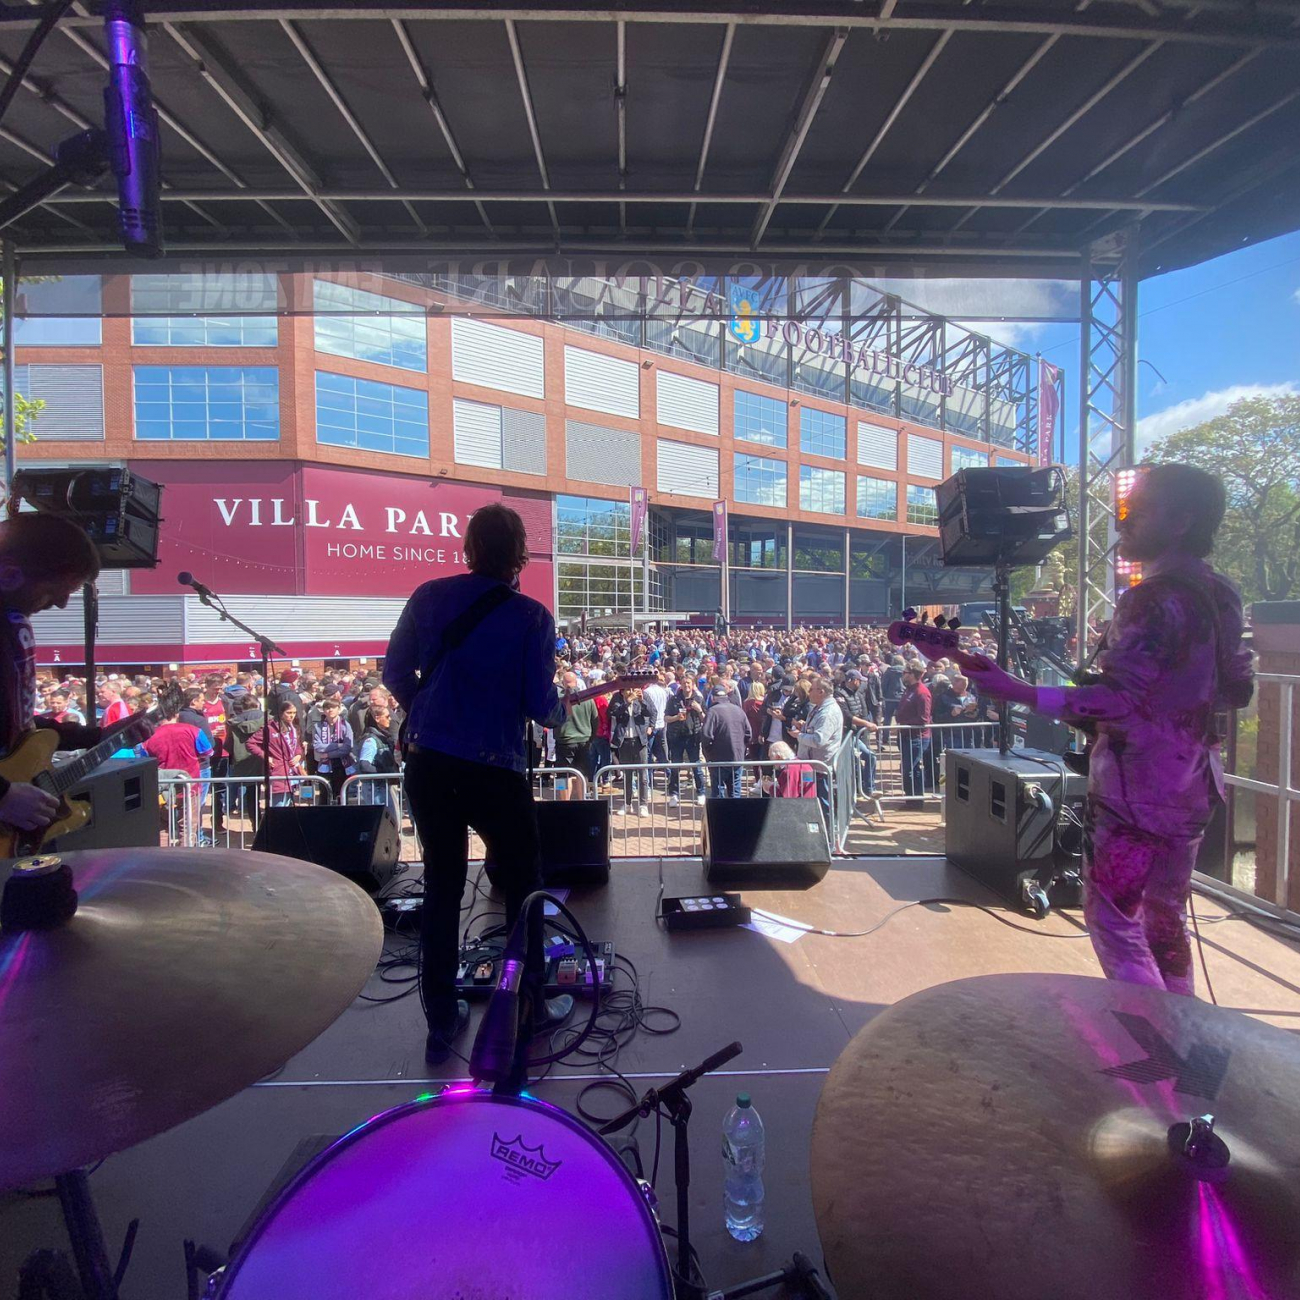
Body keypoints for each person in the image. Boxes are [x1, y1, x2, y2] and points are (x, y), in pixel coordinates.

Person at [964, 463, 1252, 998]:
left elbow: (1114, 703)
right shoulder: (1224, 593)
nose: (1123, 521)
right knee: (1165, 917)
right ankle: (1183, 1033)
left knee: (1114, 919)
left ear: (1183, 519)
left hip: (1135, 788)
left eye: (1137, 511)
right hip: (1195, 783)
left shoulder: (1148, 598)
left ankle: (1149, 1038)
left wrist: (1019, 691)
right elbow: (1239, 689)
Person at [383, 503, 573, 1066]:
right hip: (495, 769)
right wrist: (558, 713)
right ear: (519, 554)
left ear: (468, 547)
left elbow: (395, 672)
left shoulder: (427, 596)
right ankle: (527, 1004)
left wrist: (429, 716)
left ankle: (441, 1022)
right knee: (522, 885)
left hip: (430, 764)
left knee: (442, 885)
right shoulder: (533, 618)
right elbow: (542, 707)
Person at [0, 515, 118, 839]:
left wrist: (97, 737)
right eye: (55, 592)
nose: (63, 604)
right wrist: (4, 796)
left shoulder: (13, 621)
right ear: (9, 574)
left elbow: (19, 726)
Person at [140, 700, 213, 845]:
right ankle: (186, 860)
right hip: (190, 785)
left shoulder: (148, 738)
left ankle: (163, 860)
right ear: (176, 714)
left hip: (163, 788)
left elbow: (144, 761)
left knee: (162, 827)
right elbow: (208, 752)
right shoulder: (193, 730)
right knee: (188, 828)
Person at [796, 675, 843, 830]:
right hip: (810, 766)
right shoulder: (818, 708)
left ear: (821, 691)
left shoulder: (827, 713)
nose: (808, 692)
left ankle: (828, 836)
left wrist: (799, 736)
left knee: (822, 803)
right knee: (812, 801)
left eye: (811, 689)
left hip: (820, 768)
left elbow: (818, 740)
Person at [247, 698, 305, 806]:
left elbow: (297, 745)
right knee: (278, 805)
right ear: (281, 713)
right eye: (288, 713)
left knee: (288, 804)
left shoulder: (294, 727)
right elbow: (251, 743)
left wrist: (298, 754)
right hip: (278, 769)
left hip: (292, 770)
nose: (291, 716)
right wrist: (265, 756)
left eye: (294, 713)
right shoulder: (269, 728)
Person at [663, 674, 707, 807]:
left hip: (693, 736)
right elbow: (666, 718)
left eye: (688, 683)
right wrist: (676, 717)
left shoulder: (698, 698)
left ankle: (701, 793)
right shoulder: (674, 699)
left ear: (693, 684)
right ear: (680, 685)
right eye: (684, 683)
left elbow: (705, 718)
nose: (686, 686)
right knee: (675, 767)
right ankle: (674, 795)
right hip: (676, 736)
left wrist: (699, 710)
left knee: (696, 766)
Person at [607, 685, 651, 816]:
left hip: (639, 741)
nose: (631, 692)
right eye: (628, 689)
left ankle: (643, 805)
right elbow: (612, 713)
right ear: (622, 691)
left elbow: (650, 712)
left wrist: (642, 701)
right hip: (624, 741)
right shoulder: (618, 700)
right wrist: (627, 702)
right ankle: (627, 804)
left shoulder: (641, 699)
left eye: (633, 689)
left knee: (643, 775)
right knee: (627, 775)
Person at [554, 670, 597, 800]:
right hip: (584, 739)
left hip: (564, 740)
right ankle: (581, 800)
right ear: (577, 682)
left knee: (562, 775)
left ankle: (564, 802)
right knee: (581, 773)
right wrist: (591, 737)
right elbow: (595, 719)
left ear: (563, 683)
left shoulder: (558, 699)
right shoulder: (587, 698)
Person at [701, 686, 750, 798]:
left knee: (718, 792)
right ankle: (735, 815)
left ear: (713, 698)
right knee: (735, 792)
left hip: (718, 759)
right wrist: (741, 748)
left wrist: (708, 752)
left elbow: (706, 736)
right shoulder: (739, 710)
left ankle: (720, 815)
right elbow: (748, 734)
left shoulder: (712, 712)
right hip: (737, 758)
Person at [894, 667, 932, 802]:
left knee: (909, 770)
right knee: (911, 769)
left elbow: (923, 719)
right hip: (906, 736)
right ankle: (913, 799)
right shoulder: (909, 689)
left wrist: (904, 723)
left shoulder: (921, 692)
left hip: (916, 737)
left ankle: (914, 800)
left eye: (905, 673)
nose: (903, 675)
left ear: (912, 675)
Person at [312, 696, 356, 800]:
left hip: (342, 764)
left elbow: (347, 747)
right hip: (324, 765)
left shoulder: (346, 725)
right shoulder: (318, 726)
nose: (330, 710)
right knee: (324, 795)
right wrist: (337, 745)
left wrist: (329, 754)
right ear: (323, 711)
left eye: (333, 707)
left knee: (341, 795)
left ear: (339, 709)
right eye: (327, 708)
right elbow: (318, 746)